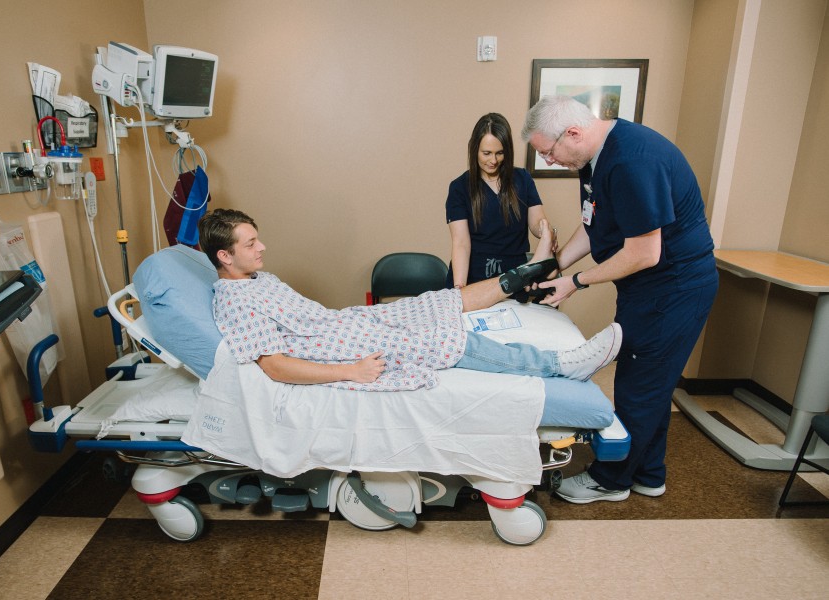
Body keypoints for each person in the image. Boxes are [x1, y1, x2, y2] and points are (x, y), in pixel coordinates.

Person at [521, 95, 719, 503]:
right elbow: (595, 226)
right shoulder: (594, 158)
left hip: (674, 288)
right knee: (653, 382)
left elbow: (645, 253)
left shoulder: (632, 161)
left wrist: (575, 281)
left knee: (638, 385)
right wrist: (553, 266)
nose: (551, 161)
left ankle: (610, 480)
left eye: (549, 152)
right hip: (649, 286)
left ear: (572, 133)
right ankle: (649, 473)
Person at [197, 208, 621, 393]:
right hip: (341, 347)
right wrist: (350, 371)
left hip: (344, 322)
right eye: (251, 243)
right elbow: (273, 365)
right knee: (442, 341)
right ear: (224, 255)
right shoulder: (235, 302)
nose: (262, 247)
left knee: (435, 302)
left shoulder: (254, 278)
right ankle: (561, 365)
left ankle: (524, 275)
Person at [445, 113, 553, 292]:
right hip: (473, 278)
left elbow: (536, 221)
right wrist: (460, 289)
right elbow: (461, 243)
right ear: (474, 149)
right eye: (486, 153)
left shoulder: (523, 179)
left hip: (515, 276)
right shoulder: (459, 188)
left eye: (499, 153)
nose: (493, 161)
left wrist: (545, 231)